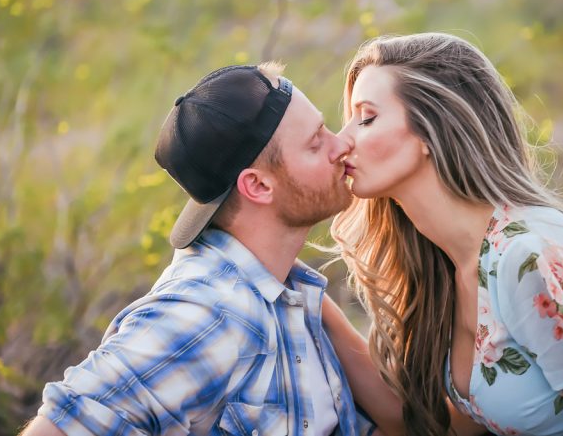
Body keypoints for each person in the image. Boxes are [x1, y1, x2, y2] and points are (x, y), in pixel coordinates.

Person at [320, 33, 563, 436]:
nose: (340, 140)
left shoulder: (528, 258)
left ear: (431, 129)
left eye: (365, 117)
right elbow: (436, 429)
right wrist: (312, 301)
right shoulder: (449, 269)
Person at [20, 64, 381, 436]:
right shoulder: (208, 311)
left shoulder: (288, 292)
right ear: (257, 186)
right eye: (316, 142)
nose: (342, 144)